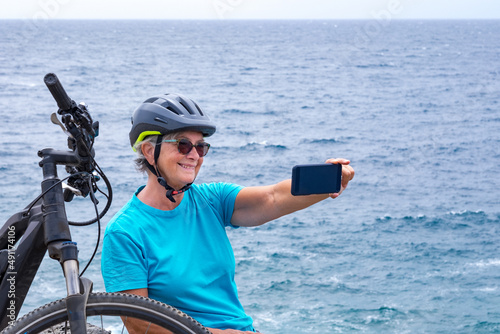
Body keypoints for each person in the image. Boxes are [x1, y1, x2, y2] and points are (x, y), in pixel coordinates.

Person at [101, 93, 355, 334]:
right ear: (148, 151)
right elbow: (139, 325)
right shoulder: (125, 232)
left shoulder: (212, 199)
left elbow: (273, 197)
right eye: (183, 145)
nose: (194, 155)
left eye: (201, 147)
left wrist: (329, 184)